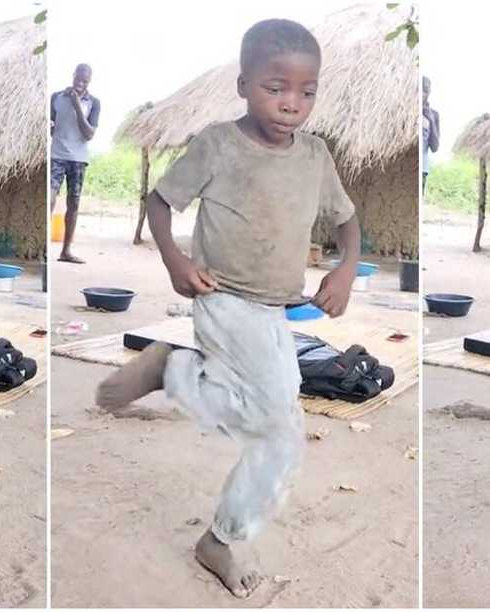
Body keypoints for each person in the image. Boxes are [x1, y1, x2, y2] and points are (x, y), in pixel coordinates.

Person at [95, 19, 361, 599]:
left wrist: (344, 268)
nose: (292, 103)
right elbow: (160, 202)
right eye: (276, 87)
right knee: (276, 432)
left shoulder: (315, 155)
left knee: (283, 426)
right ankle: (179, 379)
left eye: (306, 91)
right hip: (223, 298)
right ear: (244, 85)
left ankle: (181, 384)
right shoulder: (218, 144)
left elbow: (347, 220)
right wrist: (175, 262)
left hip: (276, 311)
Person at [49, 63, 100, 264]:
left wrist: (77, 104)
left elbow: (88, 134)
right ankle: (46, 246)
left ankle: (66, 250)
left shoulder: (94, 103)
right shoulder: (56, 97)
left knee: (74, 203)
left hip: (78, 159)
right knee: (50, 197)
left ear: (89, 81)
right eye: (78, 78)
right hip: (57, 155)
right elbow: (51, 124)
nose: (80, 83)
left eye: (85, 81)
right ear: (73, 76)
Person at [421, 75, 439, 199]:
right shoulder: (404, 110)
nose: (423, 93)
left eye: (426, 90)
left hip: (423, 168)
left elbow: (435, 147)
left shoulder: (434, 115)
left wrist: (430, 121)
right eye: (421, 90)